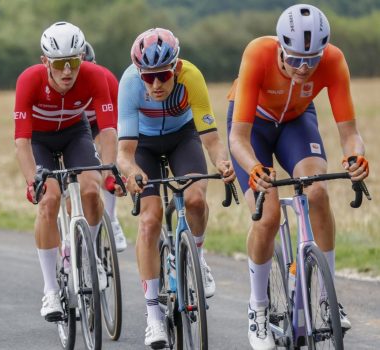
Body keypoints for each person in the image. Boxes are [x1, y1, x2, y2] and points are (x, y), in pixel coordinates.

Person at [227, 4, 368, 349]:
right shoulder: (258, 54)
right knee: (269, 214)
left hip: (296, 122)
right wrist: (254, 168)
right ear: (279, 48)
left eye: (313, 60)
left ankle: (327, 297)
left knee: (317, 192)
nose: (304, 68)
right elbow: (238, 138)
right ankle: (258, 309)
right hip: (253, 127)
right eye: (294, 59)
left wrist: (355, 155)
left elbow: (349, 132)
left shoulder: (333, 60)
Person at [116, 28, 235, 348]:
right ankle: (153, 314)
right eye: (148, 77)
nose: (156, 84)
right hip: (143, 146)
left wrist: (224, 163)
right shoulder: (129, 83)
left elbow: (211, 140)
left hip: (183, 139)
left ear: (176, 67)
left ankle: (195, 255)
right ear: (139, 73)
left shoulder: (192, 77)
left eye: (163, 75)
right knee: (150, 219)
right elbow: (123, 155)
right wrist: (132, 172)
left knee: (195, 200)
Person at [14, 21, 118, 322]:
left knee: (91, 188)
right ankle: (50, 289)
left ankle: (92, 256)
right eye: (59, 64)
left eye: (74, 61)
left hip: (76, 133)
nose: (68, 71)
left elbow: (109, 130)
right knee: (49, 200)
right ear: (45, 61)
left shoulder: (94, 76)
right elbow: (21, 140)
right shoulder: (29, 80)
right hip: (39, 140)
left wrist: (110, 171)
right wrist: (31, 179)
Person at [81, 42, 127, 252]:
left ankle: (111, 216)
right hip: (71, 127)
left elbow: (114, 126)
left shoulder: (106, 79)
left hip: (98, 124)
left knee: (107, 154)